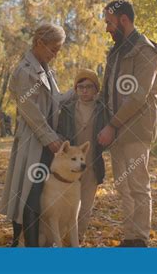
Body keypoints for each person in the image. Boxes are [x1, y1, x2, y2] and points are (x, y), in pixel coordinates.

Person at [0, 23, 73, 247]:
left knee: (38, 193)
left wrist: (78, 91)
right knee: (29, 194)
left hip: (46, 143)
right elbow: (30, 112)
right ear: (39, 43)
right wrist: (50, 138)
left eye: (58, 49)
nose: (56, 54)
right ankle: (24, 245)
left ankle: (31, 244)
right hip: (34, 142)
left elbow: (55, 101)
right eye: (53, 49)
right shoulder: (25, 71)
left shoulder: (46, 70)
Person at [97, 0, 157, 247]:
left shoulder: (146, 51)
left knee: (137, 186)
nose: (107, 29)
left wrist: (112, 125)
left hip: (135, 130)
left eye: (109, 23)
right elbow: (106, 93)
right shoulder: (116, 52)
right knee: (123, 187)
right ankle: (129, 237)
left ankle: (140, 240)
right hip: (115, 130)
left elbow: (138, 96)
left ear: (124, 20)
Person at [56, 69, 107, 243]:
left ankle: (77, 241)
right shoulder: (68, 110)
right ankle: (63, 241)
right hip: (70, 168)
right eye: (81, 87)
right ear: (76, 89)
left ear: (96, 89)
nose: (84, 90)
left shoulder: (102, 110)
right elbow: (60, 134)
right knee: (67, 207)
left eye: (89, 87)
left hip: (92, 166)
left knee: (84, 207)